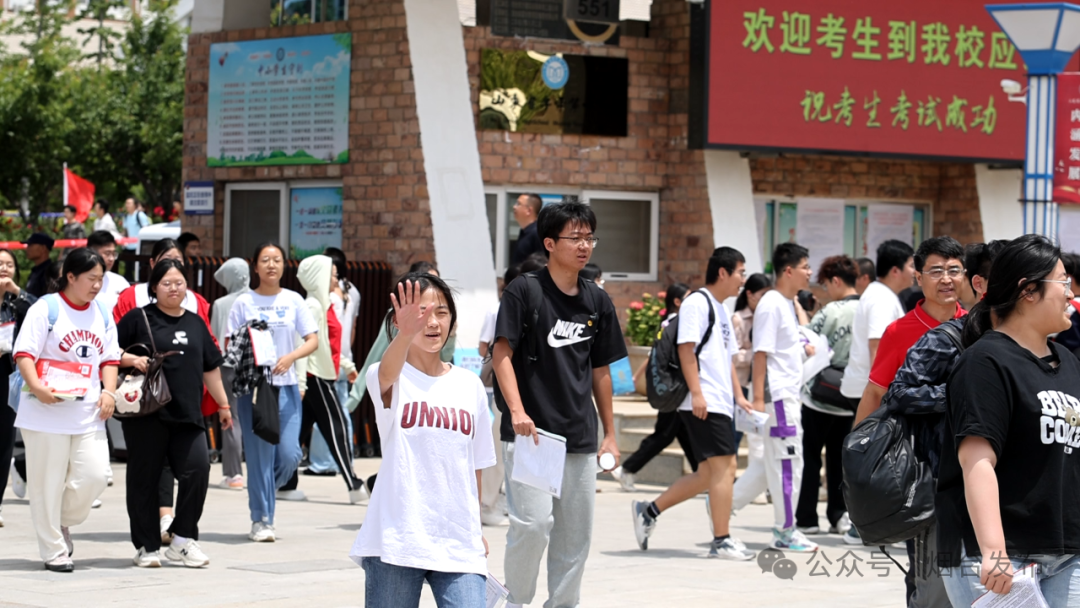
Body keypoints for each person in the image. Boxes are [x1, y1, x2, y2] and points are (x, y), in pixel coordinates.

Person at [492, 202, 626, 608]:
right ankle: (515, 601)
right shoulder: (524, 290)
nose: (584, 246)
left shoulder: (597, 300)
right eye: (575, 238)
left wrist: (610, 434)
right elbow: (501, 354)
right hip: (533, 434)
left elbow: (601, 370)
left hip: (580, 436)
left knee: (574, 538)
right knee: (532, 525)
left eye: (589, 238)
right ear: (549, 243)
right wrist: (517, 411)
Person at [937, 235, 1080, 607]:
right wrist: (994, 550)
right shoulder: (984, 362)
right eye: (1063, 282)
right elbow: (977, 460)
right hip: (998, 554)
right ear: (1028, 290)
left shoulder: (1068, 362)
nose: (1071, 293)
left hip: (1067, 553)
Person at [349, 273, 496, 607]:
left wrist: (476, 528)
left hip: (459, 542)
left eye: (442, 313)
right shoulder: (387, 377)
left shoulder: (469, 385)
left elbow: (474, 465)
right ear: (398, 321)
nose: (432, 322)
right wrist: (406, 333)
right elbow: (387, 373)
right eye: (421, 313)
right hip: (397, 539)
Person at [881, 239, 1005, 608]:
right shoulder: (941, 337)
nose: (947, 279)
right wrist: (959, 397)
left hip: (1000, 492)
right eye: (937, 271)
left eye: (954, 270)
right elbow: (891, 394)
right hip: (941, 488)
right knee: (936, 591)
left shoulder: (1021, 342)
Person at [631, 248, 756, 561]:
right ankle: (722, 540)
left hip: (719, 401)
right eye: (740, 272)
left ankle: (648, 511)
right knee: (725, 467)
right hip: (704, 401)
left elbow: (726, 359)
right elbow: (686, 350)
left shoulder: (721, 309)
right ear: (723, 272)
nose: (743, 279)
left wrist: (739, 396)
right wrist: (698, 394)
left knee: (706, 474)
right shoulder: (697, 303)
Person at [117, 259, 232, 568]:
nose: (173, 288)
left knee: (198, 470)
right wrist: (132, 360)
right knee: (144, 479)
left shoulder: (195, 322)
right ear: (154, 287)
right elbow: (109, 352)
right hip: (147, 415)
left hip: (188, 415)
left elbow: (210, 368)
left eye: (179, 283)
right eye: (166, 283)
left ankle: (182, 539)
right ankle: (147, 546)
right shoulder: (138, 318)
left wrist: (223, 405)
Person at [13, 248, 120, 572]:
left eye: (100, 279)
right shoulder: (46, 309)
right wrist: (38, 387)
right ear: (70, 277)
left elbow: (110, 358)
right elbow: (24, 354)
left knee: (96, 475)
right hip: (44, 412)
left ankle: (60, 519)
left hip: (87, 412)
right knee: (46, 484)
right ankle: (54, 550)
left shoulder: (102, 313)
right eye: (91, 279)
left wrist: (109, 392)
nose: (97, 285)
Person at [226, 242, 318, 542]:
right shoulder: (243, 302)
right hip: (254, 389)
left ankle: (265, 492)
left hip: (287, 386)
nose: (271, 265)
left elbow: (312, 340)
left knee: (290, 455)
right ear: (255, 266)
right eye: (265, 260)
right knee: (259, 458)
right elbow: (230, 343)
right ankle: (261, 519)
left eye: (277, 259)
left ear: (284, 265)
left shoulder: (293, 300)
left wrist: (290, 357)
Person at [731, 243, 817, 552]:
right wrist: (757, 400)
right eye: (805, 267)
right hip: (779, 399)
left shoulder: (785, 303)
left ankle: (722, 505)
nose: (810, 272)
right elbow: (761, 354)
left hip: (786, 395)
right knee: (788, 463)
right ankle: (785, 531)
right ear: (789, 270)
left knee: (768, 464)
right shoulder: (772, 304)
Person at [291, 255, 366, 504]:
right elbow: (304, 345)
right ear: (319, 277)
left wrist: (346, 365)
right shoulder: (313, 306)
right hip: (316, 377)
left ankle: (283, 481)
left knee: (299, 433)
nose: (336, 279)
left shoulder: (323, 304)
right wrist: (301, 383)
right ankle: (353, 483)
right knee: (338, 427)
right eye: (333, 275)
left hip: (323, 374)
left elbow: (326, 345)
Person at [795, 255, 860, 538]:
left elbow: (806, 339)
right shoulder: (868, 309)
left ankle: (807, 518)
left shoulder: (831, 311)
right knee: (839, 460)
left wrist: (801, 312)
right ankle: (839, 514)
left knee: (810, 457)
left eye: (826, 284)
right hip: (850, 397)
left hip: (820, 396)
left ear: (835, 281)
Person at [614, 283, 697, 492]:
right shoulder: (677, 323)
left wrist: (637, 376)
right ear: (677, 301)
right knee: (665, 434)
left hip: (671, 388)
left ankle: (703, 475)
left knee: (683, 433)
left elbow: (653, 355)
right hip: (675, 389)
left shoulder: (668, 323)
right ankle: (627, 468)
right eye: (688, 297)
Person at [304, 247, 361, 477]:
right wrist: (346, 357)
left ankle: (323, 463)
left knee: (327, 416)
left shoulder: (327, 298)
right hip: (343, 356)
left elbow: (326, 335)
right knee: (340, 412)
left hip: (328, 361)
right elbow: (352, 329)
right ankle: (345, 460)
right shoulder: (353, 291)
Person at [839, 240, 915, 407]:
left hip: (868, 389)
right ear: (895, 271)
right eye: (911, 266)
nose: (915, 272)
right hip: (870, 392)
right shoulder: (881, 299)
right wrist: (882, 398)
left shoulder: (881, 293)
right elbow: (877, 347)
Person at [0, 249, 36, 527]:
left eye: (9, 264)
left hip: (7, 377)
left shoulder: (17, 303)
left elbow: (40, 312)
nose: (4, 268)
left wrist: (17, 292)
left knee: (3, 444)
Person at [731, 273, 773, 506]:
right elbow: (732, 355)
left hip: (763, 385)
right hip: (742, 385)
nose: (766, 299)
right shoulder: (738, 319)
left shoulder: (769, 316)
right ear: (749, 294)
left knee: (761, 438)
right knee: (739, 437)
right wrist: (758, 354)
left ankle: (761, 486)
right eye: (762, 294)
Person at [210, 258, 249, 490]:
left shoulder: (221, 304)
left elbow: (215, 338)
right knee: (254, 416)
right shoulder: (256, 299)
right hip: (254, 364)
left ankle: (234, 474)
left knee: (231, 416)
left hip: (228, 366)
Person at [86, 231, 130, 318]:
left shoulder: (120, 282)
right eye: (107, 253)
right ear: (92, 252)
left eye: (113, 254)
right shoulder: (80, 281)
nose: (111, 258)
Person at [509, 193, 544, 266]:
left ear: (529, 210)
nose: (514, 207)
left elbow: (542, 263)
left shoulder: (537, 233)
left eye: (518, 204)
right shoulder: (524, 232)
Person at [23, 233, 55, 298]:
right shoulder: (36, 271)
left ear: (43, 248)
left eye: (30, 245)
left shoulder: (50, 272)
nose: (27, 249)